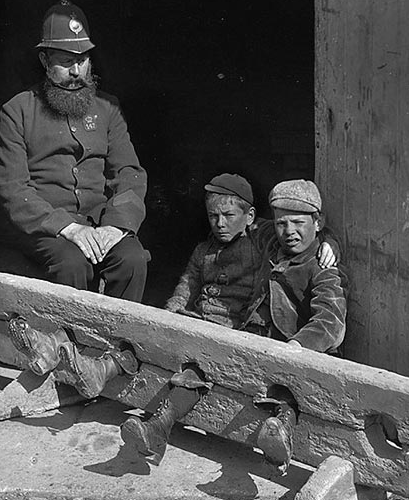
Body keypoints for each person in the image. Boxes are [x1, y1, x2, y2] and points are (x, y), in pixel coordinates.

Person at [120, 176, 347, 474]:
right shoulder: (270, 241)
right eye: (282, 223)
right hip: (254, 339)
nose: (289, 232)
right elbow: (248, 220)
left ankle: (279, 436)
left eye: (298, 223)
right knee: (199, 367)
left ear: (317, 222)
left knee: (284, 391)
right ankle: (158, 429)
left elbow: (330, 320)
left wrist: (298, 346)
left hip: (294, 353)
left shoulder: (324, 268)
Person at [0, 0, 148, 303]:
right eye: (66, 61)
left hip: (101, 222)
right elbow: (12, 188)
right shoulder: (17, 111)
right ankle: (67, 347)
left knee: (133, 260)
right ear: (44, 60)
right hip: (46, 227)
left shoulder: (108, 108)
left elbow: (129, 173)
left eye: (84, 59)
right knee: (71, 264)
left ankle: (118, 347)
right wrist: (67, 228)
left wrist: (117, 226)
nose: (77, 71)